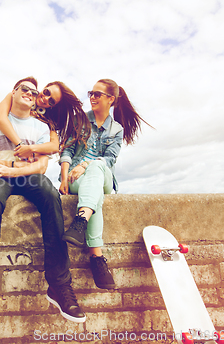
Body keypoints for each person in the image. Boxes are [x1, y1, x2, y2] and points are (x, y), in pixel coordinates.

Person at [0, 77, 86, 339]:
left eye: (35, 92)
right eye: (26, 89)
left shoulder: (41, 125)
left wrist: (18, 168)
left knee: (50, 194)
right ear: (13, 91)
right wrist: (7, 167)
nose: (32, 94)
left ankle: (59, 285)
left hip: (26, 175)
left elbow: (43, 167)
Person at [59, 79, 152, 290]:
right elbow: (66, 151)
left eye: (97, 94)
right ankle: (96, 257)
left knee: (98, 166)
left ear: (111, 99)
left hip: (103, 178)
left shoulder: (116, 130)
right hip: (76, 180)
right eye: (91, 93)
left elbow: (110, 159)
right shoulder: (79, 120)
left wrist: (85, 164)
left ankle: (81, 222)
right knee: (94, 199)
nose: (92, 97)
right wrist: (64, 178)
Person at [0, 81, 91, 159]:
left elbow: (54, 146)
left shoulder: (47, 122)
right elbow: (0, 117)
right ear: (44, 87)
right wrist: (20, 144)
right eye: (47, 92)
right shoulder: (17, 96)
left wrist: (30, 149)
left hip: (25, 163)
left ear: (53, 106)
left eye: (51, 101)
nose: (45, 98)